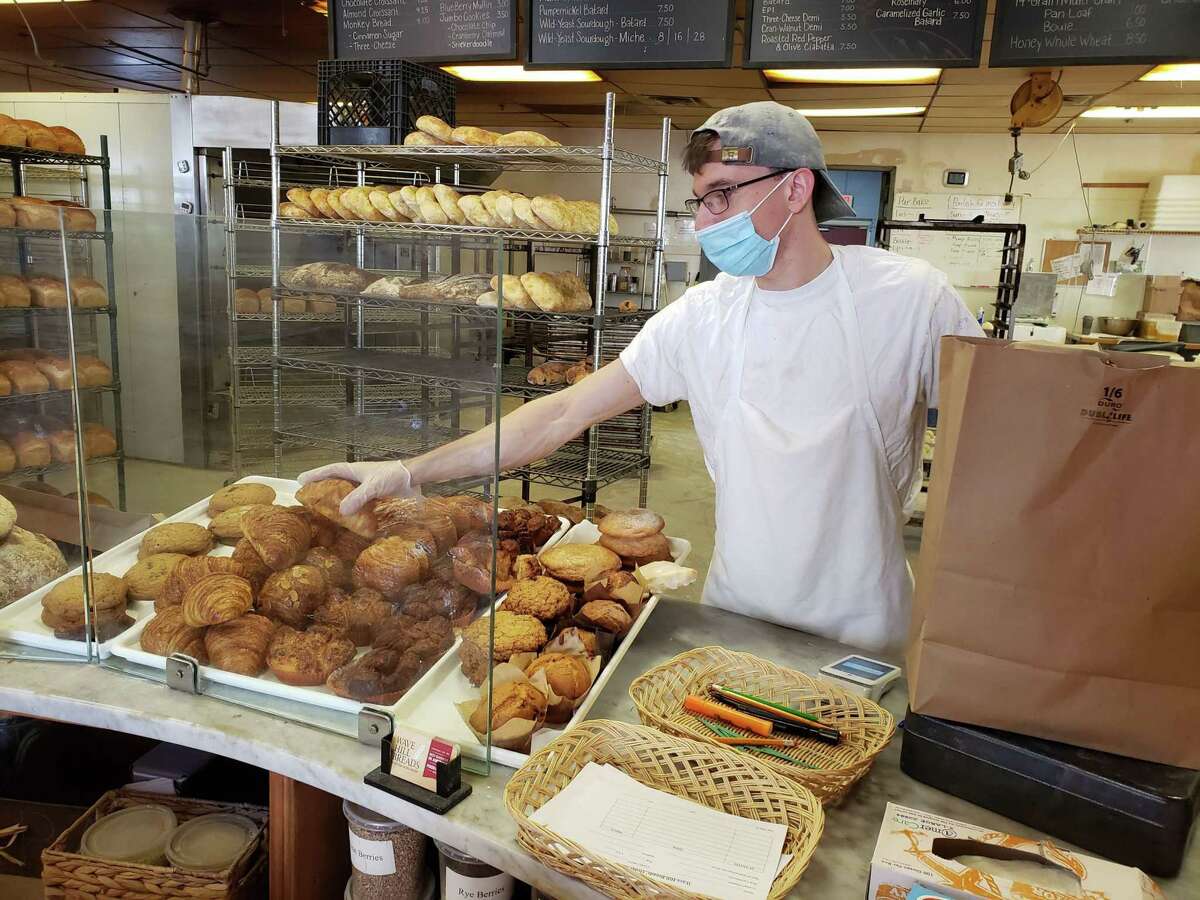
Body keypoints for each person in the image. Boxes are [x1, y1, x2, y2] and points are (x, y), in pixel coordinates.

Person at [301, 101, 982, 655]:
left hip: (866, 633)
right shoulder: (704, 316)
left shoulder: (909, 300)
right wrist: (411, 470)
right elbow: (562, 414)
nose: (706, 221)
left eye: (721, 196)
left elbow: (995, 444)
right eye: (700, 202)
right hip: (738, 619)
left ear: (797, 187)